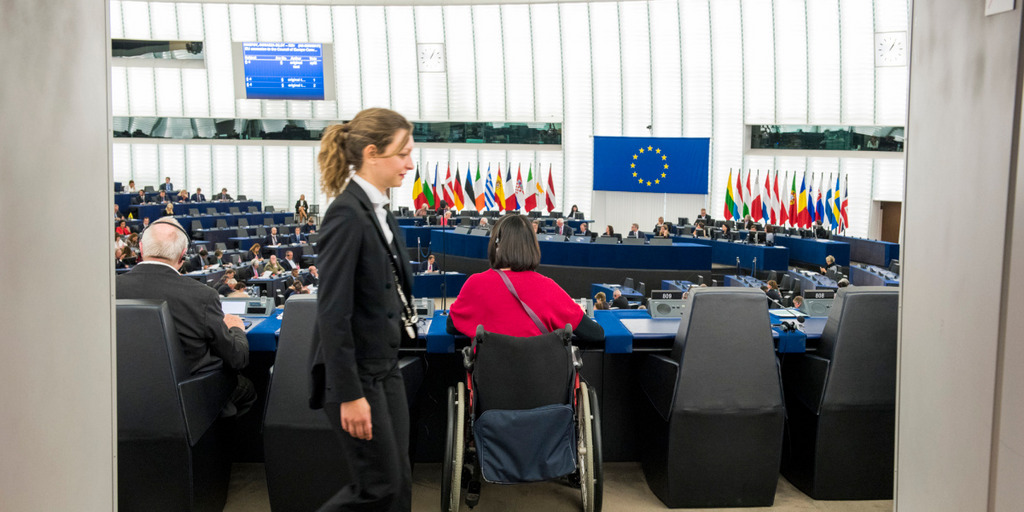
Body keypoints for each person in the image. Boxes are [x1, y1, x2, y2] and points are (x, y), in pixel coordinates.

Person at [308, 108, 417, 512]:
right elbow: (333, 314)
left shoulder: (380, 211)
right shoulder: (347, 214)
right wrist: (350, 395)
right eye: (402, 153)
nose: (410, 163)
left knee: (399, 482)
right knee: (377, 487)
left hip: (385, 367)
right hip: (358, 378)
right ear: (372, 152)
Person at [115, 218, 255, 417]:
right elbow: (237, 359)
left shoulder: (110, 289)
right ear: (183, 256)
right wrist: (237, 329)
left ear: (140, 249)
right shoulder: (202, 296)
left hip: (124, 399)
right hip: (188, 401)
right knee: (246, 387)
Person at [448, 214, 605, 343]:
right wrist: (578, 313)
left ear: (496, 246)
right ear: (532, 247)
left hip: (489, 380)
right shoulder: (549, 287)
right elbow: (596, 334)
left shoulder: (476, 284)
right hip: (543, 380)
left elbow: (451, 326)